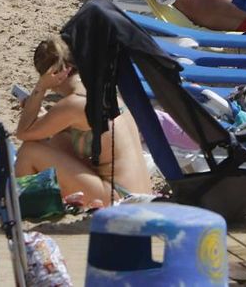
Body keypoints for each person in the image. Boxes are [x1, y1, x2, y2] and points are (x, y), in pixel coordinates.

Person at [14, 36, 154, 208]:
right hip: (140, 193)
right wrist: (45, 118)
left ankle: (27, 209)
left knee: (29, 151)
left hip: (119, 197)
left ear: (50, 75)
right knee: (60, 139)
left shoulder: (75, 103)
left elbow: (23, 133)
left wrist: (40, 87)